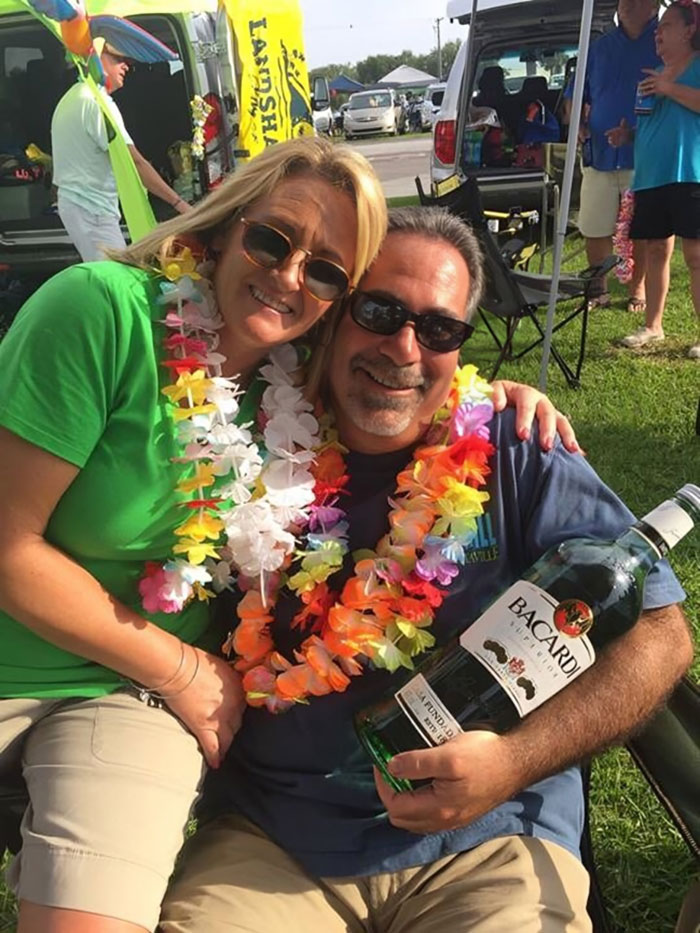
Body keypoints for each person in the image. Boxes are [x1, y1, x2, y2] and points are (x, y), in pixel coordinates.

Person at [0, 136, 575, 933]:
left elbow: (412, 367)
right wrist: (176, 666)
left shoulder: (294, 387)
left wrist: (494, 397)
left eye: (328, 271)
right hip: (133, 662)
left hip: (119, 698)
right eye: (272, 239)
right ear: (225, 227)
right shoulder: (101, 309)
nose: (288, 274)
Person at [158, 206, 692, 933]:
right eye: (379, 310)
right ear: (333, 315)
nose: (404, 348)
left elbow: (661, 634)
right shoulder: (246, 438)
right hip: (274, 837)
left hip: (487, 840)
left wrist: (511, 762)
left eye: (439, 329)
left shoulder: (515, 445)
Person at [607, 0, 700, 358]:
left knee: (695, 256)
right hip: (652, 176)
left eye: (666, 26)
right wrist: (626, 135)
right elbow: (652, 121)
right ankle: (653, 326)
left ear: (689, 30)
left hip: (690, 173)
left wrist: (668, 87)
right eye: (658, 29)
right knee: (657, 250)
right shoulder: (653, 74)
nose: (657, 33)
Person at [51, 38, 191, 262]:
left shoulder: (75, 96)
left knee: (113, 273)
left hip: (83, 206)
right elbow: (134, 162)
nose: (126, 65)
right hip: (91, 209)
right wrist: (180, 204)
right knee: (115, 278)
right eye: (118, 59)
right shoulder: (97, 103)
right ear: (95, 58)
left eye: (127, 61)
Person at [565, 0, 660, 311]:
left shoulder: (664, 43)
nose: (627, 6)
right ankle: (598, 290)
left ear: (654, 5)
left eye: (635, 0)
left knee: (642, 229)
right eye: (623, 1)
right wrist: (579, 125)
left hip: (645, 156)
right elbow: (574, 96)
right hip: (600, 155)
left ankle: (638, 289)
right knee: (595, 225)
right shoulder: (597, 48)